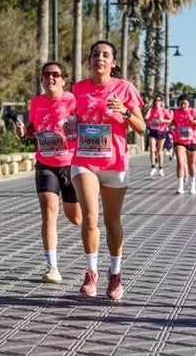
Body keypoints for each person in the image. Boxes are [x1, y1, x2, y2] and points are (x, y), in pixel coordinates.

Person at [70, 40, 145, 301]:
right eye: (95, 55)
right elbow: (73, 119)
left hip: (115, 163)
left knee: (112, 221)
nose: (99, 58)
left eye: (105, 55)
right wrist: (70, 127)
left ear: (113, 63)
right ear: (89, 61)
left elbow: (140, 126)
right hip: (84, 160)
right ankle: (91, 271)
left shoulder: (125, 88)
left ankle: (115, 273)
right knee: (90, 216)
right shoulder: (78, 89)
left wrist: (124, 111)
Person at [15, 61, 82, 283]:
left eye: (55, 74)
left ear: (64, 79)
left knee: (76, 218)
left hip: (71, 164)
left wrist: (74, 131)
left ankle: (90, 223)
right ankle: (52, 266)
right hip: (46, 164)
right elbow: (34, 130)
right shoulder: (37, 102)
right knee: (48, 213)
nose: (50, 78)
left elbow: (85, 125)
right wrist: (25, 131)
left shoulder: (73, 100)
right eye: (46, 74)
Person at [171, 94, 196, 194]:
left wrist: (192, 120)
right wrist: (171, 125)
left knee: (191, 164)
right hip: (179, 141)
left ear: (189, 104)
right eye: (180, 104)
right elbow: (173, 123)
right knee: (180, 162)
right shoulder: (175, 112)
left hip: (192, 140)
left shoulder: (194, 111)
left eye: (184, 104)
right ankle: (180, 186)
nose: (182, 106)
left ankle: (193, 185)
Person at [144, 95, 171, 177]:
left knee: (159, 151)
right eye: (155, 100)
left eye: (159, 100)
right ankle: (153, 167)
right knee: (152, 149)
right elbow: (146, 117)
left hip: (161, 131)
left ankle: (161, 168)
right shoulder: (151, 110)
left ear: (161, 101)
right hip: (152, 131)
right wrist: (149, 109)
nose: (157, 102)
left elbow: (170, 120)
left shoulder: (164, 110)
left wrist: (163, 121)